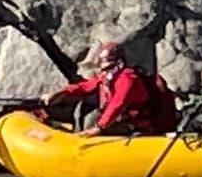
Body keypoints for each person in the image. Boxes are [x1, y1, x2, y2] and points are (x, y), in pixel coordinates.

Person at [40, 41, 177, 136]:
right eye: (104, 68)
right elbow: (85, 86)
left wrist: (99, 128)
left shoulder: (128, 79)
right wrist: (61, 92)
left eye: (108, 68)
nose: (104, 72)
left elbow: (118, 103)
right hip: (122, 121)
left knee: (96, 126)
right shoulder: (108, 77)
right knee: (89, 114)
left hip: (139, 124)